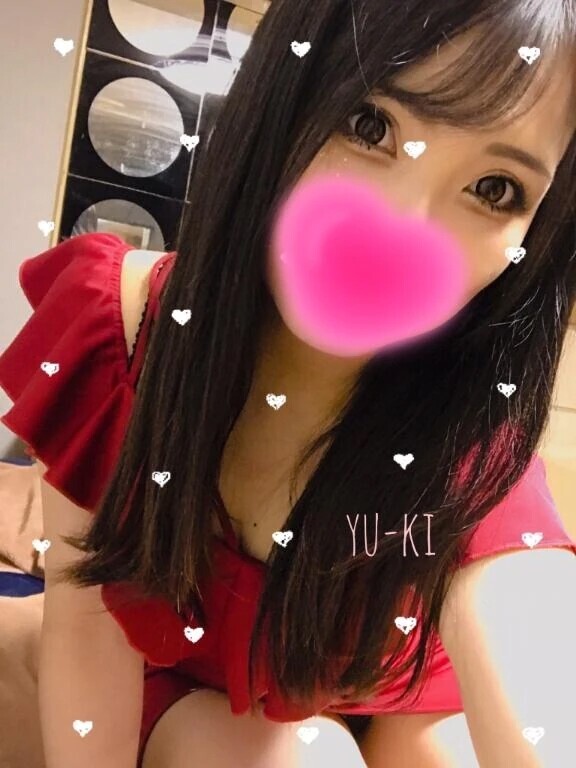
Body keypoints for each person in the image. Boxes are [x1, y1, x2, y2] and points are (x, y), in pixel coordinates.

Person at [1, 0, 576, 766]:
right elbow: (85, 630)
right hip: (183, 678)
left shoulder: (466, 441)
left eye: (496, 189)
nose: (400, 233)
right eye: (370, 125)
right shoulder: (123, 329)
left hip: (394, 690)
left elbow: (538, 647)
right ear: (282, 98)